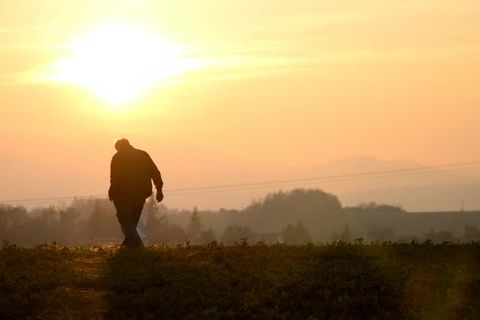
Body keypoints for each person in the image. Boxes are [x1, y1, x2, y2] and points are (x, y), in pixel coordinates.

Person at [108, 138, 164, 247]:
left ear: (119, 147)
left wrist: (112, 191)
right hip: (141, 193)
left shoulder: (118, 156)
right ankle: (129, 243)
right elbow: (155, 172)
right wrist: (159, 189)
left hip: (123, 193)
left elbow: (115, 177)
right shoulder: (143, 154)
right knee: (133, 218)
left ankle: (137, 243)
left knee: (124, 217)